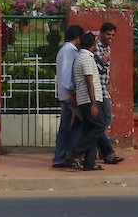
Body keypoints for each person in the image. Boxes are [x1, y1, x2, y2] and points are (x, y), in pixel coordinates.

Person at [72, 31, 107, 171]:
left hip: (85, 99)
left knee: (90, 129)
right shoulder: (86, 58)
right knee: (100, 126)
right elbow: (89, 82)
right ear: (93, 44)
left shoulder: (84, 57)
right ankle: (77, 151)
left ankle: (89, 163)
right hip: (89, 100)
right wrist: (93, 104)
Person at [52, 24, 85, 169]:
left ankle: (61, 155)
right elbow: (66, 76)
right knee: (85, 122)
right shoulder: (70, 51)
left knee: (67, 125)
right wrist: (73, 94)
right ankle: (68, 153)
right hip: (69, 95)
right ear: (77, 38)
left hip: (65, 94)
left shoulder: (63, 50)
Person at [94, 22, 125, 165]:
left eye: (112, 35)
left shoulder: (107, 48)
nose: (110, 37)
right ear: (101, 33)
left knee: (104, 121)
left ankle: (102, 152)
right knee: (101, 123)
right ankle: (107, 153)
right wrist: (104, 61)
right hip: (97, 90)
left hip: (104, 89)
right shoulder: (97, 47)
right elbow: (98, 67)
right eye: (108, 34)